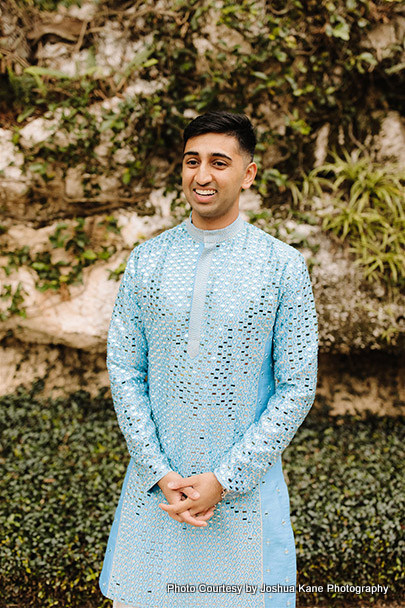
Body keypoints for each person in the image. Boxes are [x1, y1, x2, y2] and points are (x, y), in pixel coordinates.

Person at [99, 111, 318, 608]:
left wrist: (224, 480)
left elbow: (297, 386)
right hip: (156, 492)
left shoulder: (282, 266)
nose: (202, 175)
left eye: (219, 162)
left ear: (248, 173)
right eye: (191, 161)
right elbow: (125, 368)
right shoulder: (147, 260)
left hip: (244, 497)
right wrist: (159, 471)